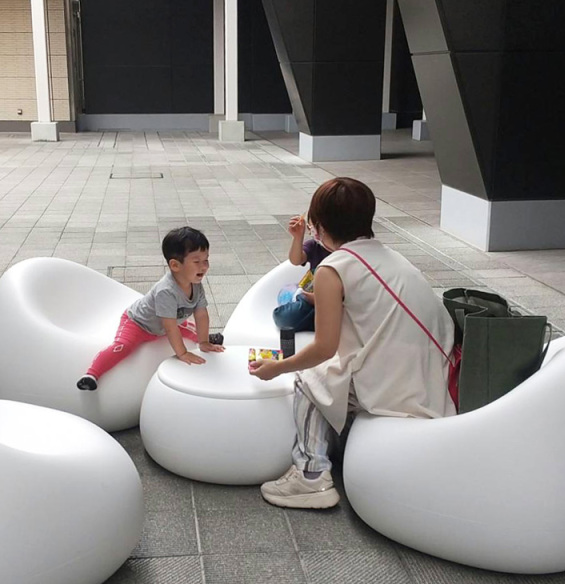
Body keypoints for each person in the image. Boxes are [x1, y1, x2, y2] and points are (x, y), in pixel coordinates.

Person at [250, 177, 457, 509]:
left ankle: (310, 475)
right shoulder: (392, 257)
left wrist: (278, 368)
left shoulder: (332, 268)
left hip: (399, 390)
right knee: (334, 372)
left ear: (318, 226)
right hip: (436, 381)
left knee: (310, 377)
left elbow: (324, 348)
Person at [77, 226, 224, 391]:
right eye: (197, 262)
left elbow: (201, 314)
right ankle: (91, 374)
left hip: (166, 323)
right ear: (175, 265)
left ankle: (207, 338)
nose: (204, 266)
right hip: (138, 323)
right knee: (122, 347)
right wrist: (182, 353)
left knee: (190, 330)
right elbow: (170, 328)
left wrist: (203, 342)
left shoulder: (195, 284)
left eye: (206, 260)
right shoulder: (166, 291)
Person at [272, 214, 331, 332]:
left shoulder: (345, 252)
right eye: (311, 228)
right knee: (284, 317)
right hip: (311, 302)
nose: (314, 232)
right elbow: (296, 259)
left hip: (334, 304)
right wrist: (298, 237)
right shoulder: (314, 246)